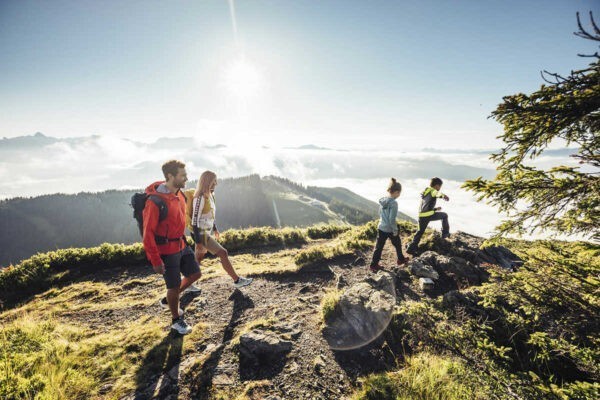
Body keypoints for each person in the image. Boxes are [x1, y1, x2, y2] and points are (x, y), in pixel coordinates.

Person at [143, 160, 200, 335]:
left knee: (195, 274)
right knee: (173, 287)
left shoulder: (180, 194)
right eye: (182, 175)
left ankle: (169, 300)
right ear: (170, 176)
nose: (186, 178)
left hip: (182, 244)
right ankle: (176, 320)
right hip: (167, 252)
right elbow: (148, 235)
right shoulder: (155, 202)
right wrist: (156, 261)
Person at [191, 170, 253, 288]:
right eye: (214, 181)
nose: (216, 184)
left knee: (197, 260)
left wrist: (215, 228)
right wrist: (198, 241)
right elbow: (195, 220)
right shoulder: (199, 197)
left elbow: (211, 214)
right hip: (201, 233)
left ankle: (187, 284)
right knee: (223, 253)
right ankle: (237, 280)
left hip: (207, 232)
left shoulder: (211, 195)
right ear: (207, 181)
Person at [369, 178, 407, 272]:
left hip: (381, 227)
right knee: (397, 243)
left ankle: (373, 265)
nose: (399, 195)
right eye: (399, 193)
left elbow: (380, 213)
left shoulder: (383, 200)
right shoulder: (393, 203)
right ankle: (400, 259)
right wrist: (395, 230)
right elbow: (391, 219)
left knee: (379, 247)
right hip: (389, 229)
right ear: (397, 192)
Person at [406, 177, 450, 255]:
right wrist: (444, 196)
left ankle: (411, 248)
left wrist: (435, 209)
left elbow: (426, 206)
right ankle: (445, 234)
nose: (439, 188)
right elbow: (437, 193)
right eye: (440, 186)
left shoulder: (426, 191)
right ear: (437, 185)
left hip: (422, 215)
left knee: (419, 232)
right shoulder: (433, 191)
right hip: (428, 215)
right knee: (444, 215)